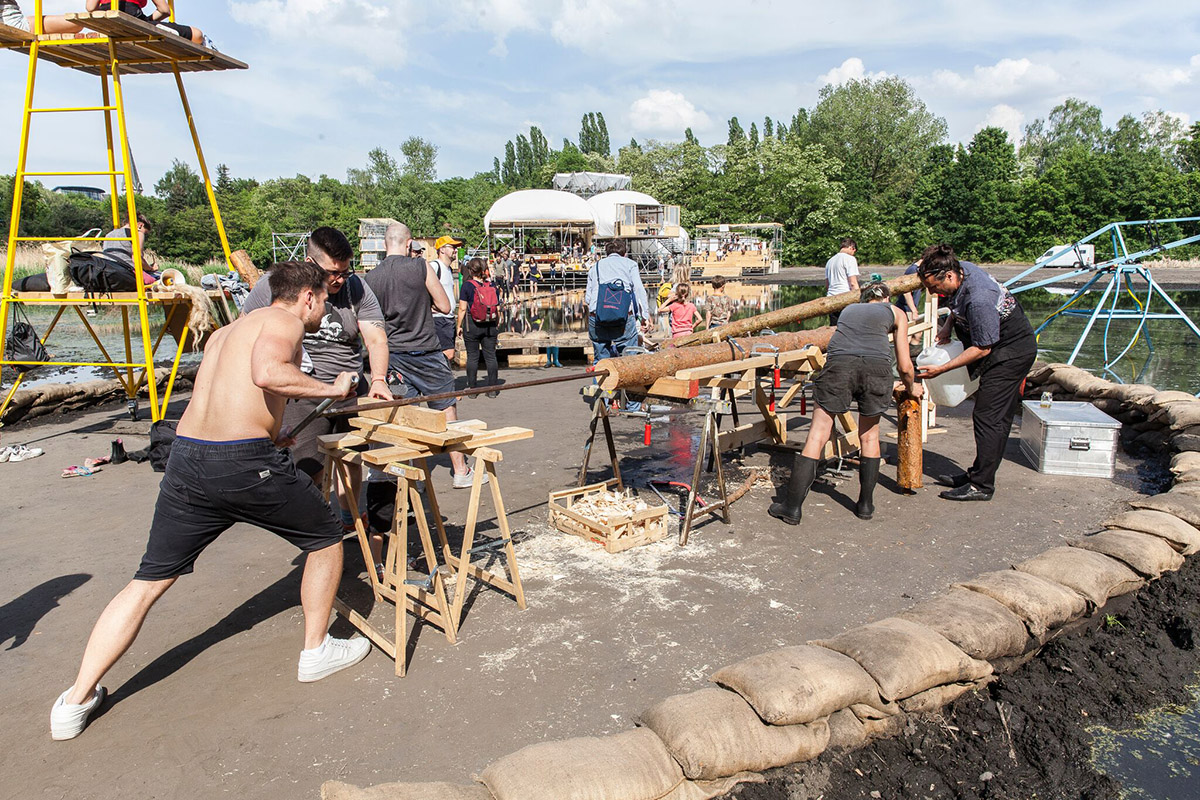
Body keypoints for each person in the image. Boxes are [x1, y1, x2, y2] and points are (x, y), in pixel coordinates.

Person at [49, 262, 369, 741]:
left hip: (189, 459)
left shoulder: (226, 333)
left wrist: (271, 431)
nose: (324, 309)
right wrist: (333, 388)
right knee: (326, 536)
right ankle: (316, 650)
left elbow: (224, 399)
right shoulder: (282, 321)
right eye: (323, 300)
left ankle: (74, 700)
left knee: (148, 580)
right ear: (306, 297)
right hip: (240, 463)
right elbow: (267, 374)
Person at [240, 227, 392, 531]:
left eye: (344, 272)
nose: (339, 280)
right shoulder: (276, 285)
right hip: (303, 391)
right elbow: (245, 332)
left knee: (351, 456)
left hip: (349, 390)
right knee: (307, 465)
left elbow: (375, 339)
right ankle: (315, 527)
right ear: (310, 262)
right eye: (332, 273)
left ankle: (348, 516)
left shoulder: (357, 288)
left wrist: (377, 380)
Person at [770, 281, 922, 525]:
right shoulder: (896, 312)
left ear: (864, 298)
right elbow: (905, 365)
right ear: (886, 299)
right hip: (876, 369)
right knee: (869, 437)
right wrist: (912, 386)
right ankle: (865, 505)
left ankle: (792, 507)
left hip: (840, 366)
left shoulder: (849, 310)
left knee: (817, 435)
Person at [363, 223, 484, 489]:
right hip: (426, 349)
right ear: (409, 245)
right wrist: (421, 302)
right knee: (445, 407)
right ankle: (461, 470)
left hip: (393, 352)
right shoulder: (420, 267)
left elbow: (370, 322)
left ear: (385, 245)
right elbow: (444, 305)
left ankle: (409, 476)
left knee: (402, 414)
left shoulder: (371, 277)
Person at [915, 244, 1037, 502]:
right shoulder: (962, 270)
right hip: (1000, 348)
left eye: (934, 287)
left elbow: (983, 348)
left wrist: (943, 369)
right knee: (996, 417)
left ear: (948, 276)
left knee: (988, 416)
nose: (932, 292)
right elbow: (956, 307)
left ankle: (981, 485)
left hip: (1010, 353)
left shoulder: (979, 297)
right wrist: (948, 325)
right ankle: (978, 473)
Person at [585, 238, 650, 362]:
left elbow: (588, 297)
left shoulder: (596, 267)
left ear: (606, 253)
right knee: (629, 358)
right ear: (624, 253)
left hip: (597, 316)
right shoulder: (630, 264)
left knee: (600, 360)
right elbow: (639, 290)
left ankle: (600, 380)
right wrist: (644, 316)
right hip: (623, 317)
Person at [457, 257, 500, 395]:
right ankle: (492, 389)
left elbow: (462, 308)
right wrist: (497, 324)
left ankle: (473, 389)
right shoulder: (492, 286)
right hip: (490, 325)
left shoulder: (467, 286)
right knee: (491, 356)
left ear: (470, 270)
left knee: (473, 356)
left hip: (472, 325)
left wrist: (459, 325)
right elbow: (497, 309)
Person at [84, 0, 206, 45]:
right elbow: (164, 10)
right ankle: (160, 30)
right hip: (133, 17)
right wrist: (147, 22)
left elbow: (90, 7)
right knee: (197, 35)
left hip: (106, 18)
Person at [428, 236, 462, 365]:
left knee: (448, 353)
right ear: (442, 249)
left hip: (448, 318)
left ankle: (441, 379)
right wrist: (431, 307)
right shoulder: (434, 266)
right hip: (439, 318)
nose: (455, 250)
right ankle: (437, 379)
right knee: (447, 353)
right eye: (452, 247)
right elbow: (421, 288)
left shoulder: (448, 269)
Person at [824, 238, 860, 325]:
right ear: (852, 247)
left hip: (831, 299)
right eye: (854, 251)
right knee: (849, 329)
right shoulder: (850, 259)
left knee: (834, 329)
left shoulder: (830, 261)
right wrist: (859, 300)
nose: (853, 254)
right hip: (845, 299)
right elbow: (853, 283)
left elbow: (827, 285)